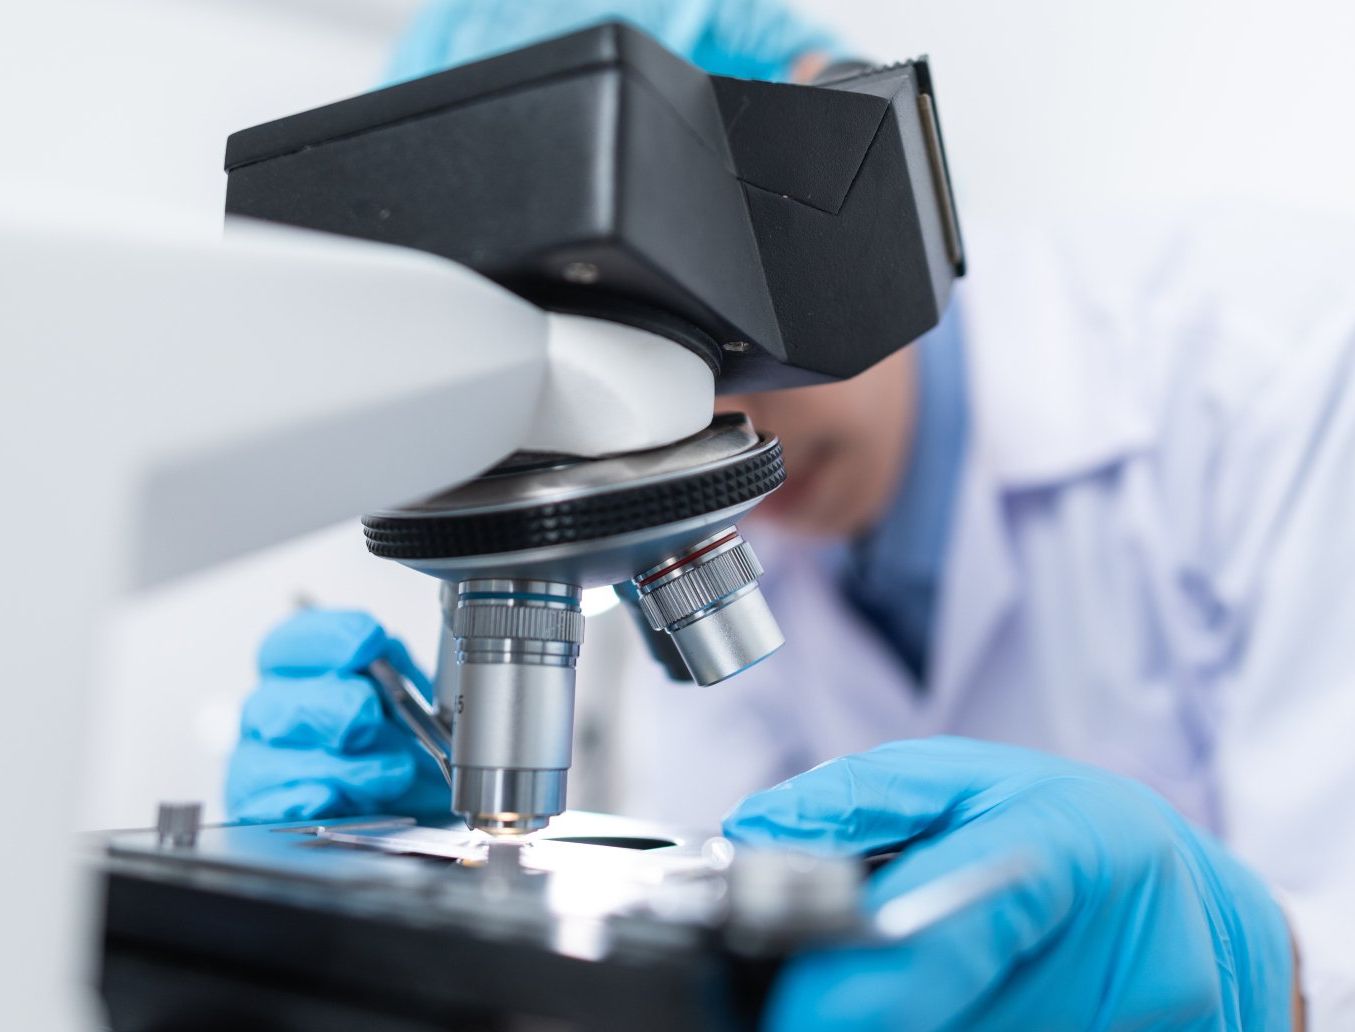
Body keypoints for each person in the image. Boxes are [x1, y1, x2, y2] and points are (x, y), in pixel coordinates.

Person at [226, 2, 1355, 1028]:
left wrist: (1253, 969)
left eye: (683, 367)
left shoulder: (1279, 371)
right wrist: (437, 887)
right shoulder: (730, 524)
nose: (687, 433)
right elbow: (721, 901)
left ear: (822, 197)